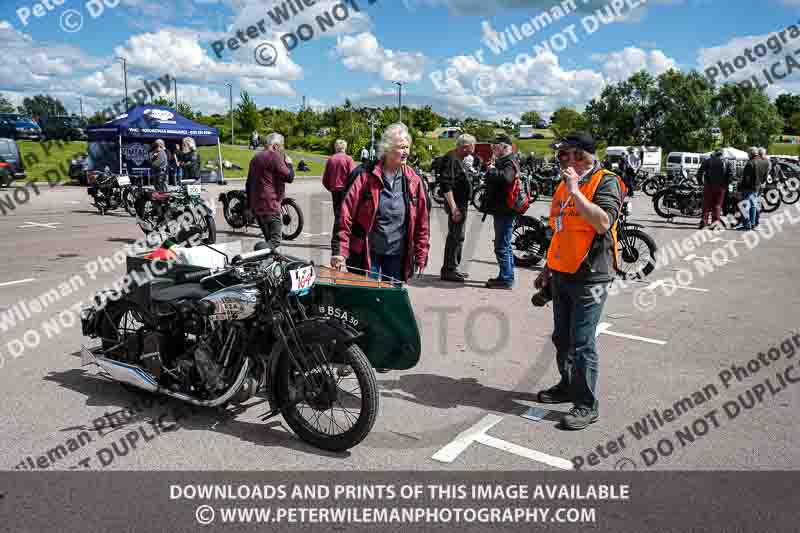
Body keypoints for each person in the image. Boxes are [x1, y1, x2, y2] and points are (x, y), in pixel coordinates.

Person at [534, 131, 625, 430]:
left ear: (582, 154)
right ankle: (568, 385)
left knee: (583, 342)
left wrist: (576, 191)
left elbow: (602, 222)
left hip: (592, 274)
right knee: (562, 338)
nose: (563, 160)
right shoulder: (564, 184)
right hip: (562, 271)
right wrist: (548, 266)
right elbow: (559, 228)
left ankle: (586, 405)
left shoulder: (606, 181)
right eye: (561, 155)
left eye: (568, 154)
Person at [330, 123, 430, 285]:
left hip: (397, 253)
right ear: (387, 149)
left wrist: (421, 253)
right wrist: (340, 251)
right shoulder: (363, 175)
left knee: (391, 302)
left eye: (407, 147)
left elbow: (422, 221)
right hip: (367, 252)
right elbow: (344, 215)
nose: (406, 152)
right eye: (400, 148)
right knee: (366, 300)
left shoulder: (414, 179)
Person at [482, 133, 520, 289]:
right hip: (503, 209)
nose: (493, 149)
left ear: (504, 147)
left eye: (495, 146)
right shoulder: (505, 161)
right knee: (504, 245)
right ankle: (506, 276)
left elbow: (506, 179)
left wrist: (491, 170)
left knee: (501, 246)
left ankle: (506, 279)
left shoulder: (509, 162)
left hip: (505, 210)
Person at [246, 132, 294, 250]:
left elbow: (248, 183)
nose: (282, 149)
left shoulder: (255, 158)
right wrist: (290, 164)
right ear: (275, 146)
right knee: (275, 241)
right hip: (270, 205)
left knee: (268, 240)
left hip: (257, 206)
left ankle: (267, 265)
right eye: (282, 146)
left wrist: (249, 206)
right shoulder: (274, 156)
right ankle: (256, 252)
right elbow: (289, 177)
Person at [439, 133, 476, 282]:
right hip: (457, 204)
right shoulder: (452, 158)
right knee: (455, 236)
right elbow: (446, 184)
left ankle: (454, 267)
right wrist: (454, 208)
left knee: (459, 236)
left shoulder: (458, 158)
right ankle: (449, 269)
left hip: (460, 203)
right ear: (466, 146)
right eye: (473, 146)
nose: (474, 149)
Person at [322, 139, 356, 246]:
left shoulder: (331, 160)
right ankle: (340, 241)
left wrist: (331, 188)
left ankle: (337, 240)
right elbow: (354, 176)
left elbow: (325, 179)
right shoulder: (348, 159)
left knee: (338, 215)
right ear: (345, 148)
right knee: (346, 216)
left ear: (336, 147)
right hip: (345, 191)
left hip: (335, 191)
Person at [696, 148, 733, 229]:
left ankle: (704, 221)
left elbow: (699, 173)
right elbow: (730, 176)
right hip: (721, 187)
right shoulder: (727, 162)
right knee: (718, 205)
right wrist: (725, 185)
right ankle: (715, 223)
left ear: (714, 153)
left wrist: (701, 184)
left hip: (709, 186)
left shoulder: (708, 161)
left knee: (706, 205)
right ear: (722, 154)